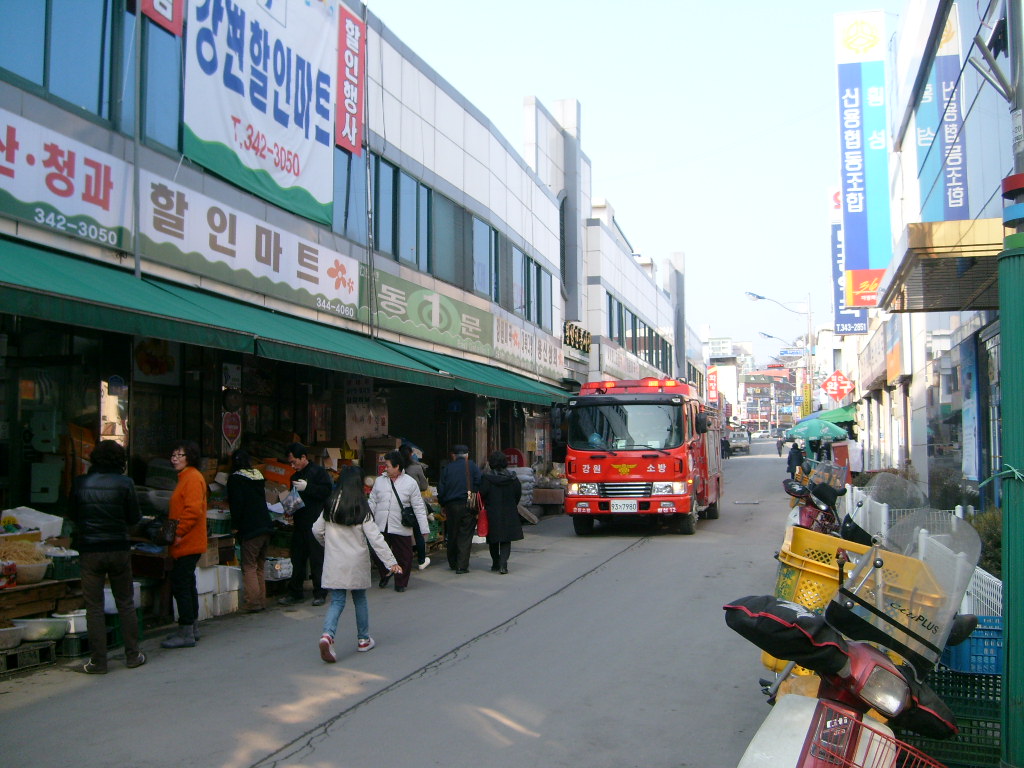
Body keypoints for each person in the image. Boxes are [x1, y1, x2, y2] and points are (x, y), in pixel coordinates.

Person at [68, 440, 145, 673]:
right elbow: (134, 518)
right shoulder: (125, 483)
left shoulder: (80, 483)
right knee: (125, 602)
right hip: (119, 548)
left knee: (94, 606)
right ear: (120, 461)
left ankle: (98, 662)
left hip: (90, 550)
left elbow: (73, 515)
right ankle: (133, 655)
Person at [312, 467, 402, 662]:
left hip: (335, 561)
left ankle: (327, 635)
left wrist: (327, 545)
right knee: (360, 599)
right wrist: (391, 562)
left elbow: (317, 530)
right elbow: (375, 538)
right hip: (356, 562)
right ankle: (363, 639)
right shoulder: (361, 507)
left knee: (337, 601)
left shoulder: (330, 505)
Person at [162, 439, 207, 649]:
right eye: (173, 455)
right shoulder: (186, 477)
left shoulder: (192, 478)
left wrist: (179, 532)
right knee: (187, 583)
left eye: (180, 455)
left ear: (190, 457)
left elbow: (193, 510)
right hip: (187, 541)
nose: (175, 459)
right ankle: (191, 628)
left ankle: (186, 630)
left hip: (188, 541)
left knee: (181, 584)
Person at [278, 442, 333, 607]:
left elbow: (327, 492)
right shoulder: (294, 477)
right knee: (297, 559)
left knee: (317, 559)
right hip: (299, 522)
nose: (292, 465)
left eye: (294, 462)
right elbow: (294, 497)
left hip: (316, 523)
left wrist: (308, 487)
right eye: (290, 463)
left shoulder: (318, 472)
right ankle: (295, 592)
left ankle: (320, 593)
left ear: (303, 457)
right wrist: (289, 507)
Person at [367, 451, 429, 592]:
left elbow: (418, 507)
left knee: (404, 556)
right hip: (381, 524)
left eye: (388, 466)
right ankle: (386, 572)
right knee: (377, 552)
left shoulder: (410, 483)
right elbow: (372, 501)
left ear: (397, 466)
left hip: (401, 525)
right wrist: (368, 521)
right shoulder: (380, 481)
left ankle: (400, 582)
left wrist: (424, 528)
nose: (385, 468)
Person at [226, 449, 273, 613]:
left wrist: (235, 526)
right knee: (259, 566)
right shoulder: (257, 476)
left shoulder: (235, 479)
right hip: (266, 525)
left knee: (249, 566)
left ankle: (252, 602)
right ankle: (261, 601)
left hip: (251, 528)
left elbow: (237, 505)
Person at [437, 444, 481, 573]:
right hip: (468, 505)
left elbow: (441, 488)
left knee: (452, 533)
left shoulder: (447, 468)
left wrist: (442, 504)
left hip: (451, 506)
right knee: (465, 535)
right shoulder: (472, 466)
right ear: (467, 455)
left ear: (454, 456)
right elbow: (479, 483)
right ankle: (462, 565)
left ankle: (453, 562)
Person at [478, 450, 523, 574]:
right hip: (509, 512)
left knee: (493, 539)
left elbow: (482, 494)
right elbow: (518, 494)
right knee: (505, 540)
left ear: (491, 463)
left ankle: (495, 563)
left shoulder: (487, 478)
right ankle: (503, 564)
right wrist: (512, 505)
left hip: (492, 512)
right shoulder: (513, 478)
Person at [397, 443, 431, 570]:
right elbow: (424, 486)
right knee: (418, 533)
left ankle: (401, 560)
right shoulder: (416, 468)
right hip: (413, 504)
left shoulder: (396, 468)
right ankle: (421, 560)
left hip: (399, 505)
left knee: (400, 535)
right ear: (411, 454)